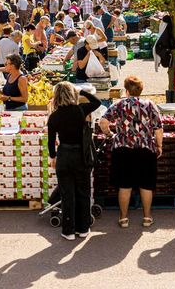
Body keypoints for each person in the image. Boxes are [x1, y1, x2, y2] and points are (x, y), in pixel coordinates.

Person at [100, 76, 163, 228]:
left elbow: (103, 122)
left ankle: (123, 218)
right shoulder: (150, 105)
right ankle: (147, 217)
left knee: (124, 185)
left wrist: (110, 135)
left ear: (127, 91)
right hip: (145, 149)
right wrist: (159, 146)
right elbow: (158, 128)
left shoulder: (119, 105)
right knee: (146, 185)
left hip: (123, 150)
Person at [48, 81, 101, 240]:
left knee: (67, 194)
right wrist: (83, 92)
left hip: (64, 154)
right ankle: (83, 228)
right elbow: (97, 102)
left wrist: (53, 157)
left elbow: (51, 142)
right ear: (72, 95)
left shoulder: (54, 116)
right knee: (83, 192)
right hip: (80, 155)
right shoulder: (80, 110)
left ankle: (68, 230)